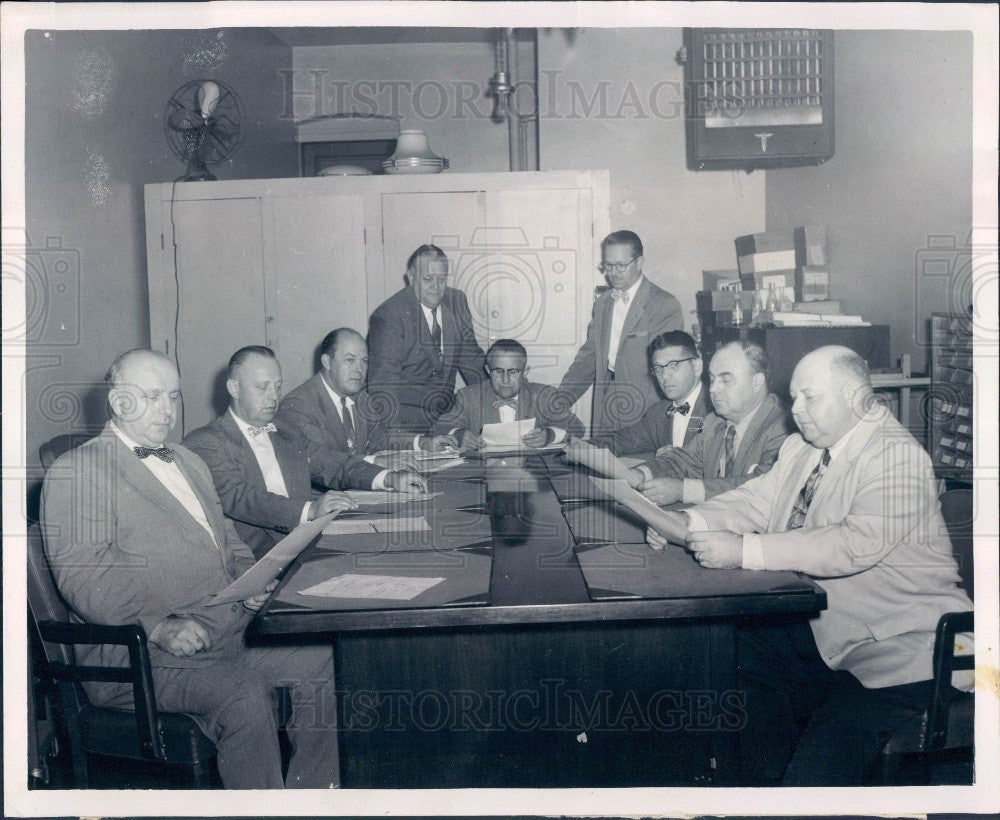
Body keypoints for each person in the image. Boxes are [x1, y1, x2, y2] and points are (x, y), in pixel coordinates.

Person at [642, 346, 973, 786]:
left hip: (914, 645)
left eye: (809, 398)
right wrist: (685, 522)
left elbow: (853, 544)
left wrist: (741, 550)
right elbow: (756, 500)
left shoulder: (898, 457)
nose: (795, 411)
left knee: (822, 760)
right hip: (836, 631)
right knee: (727, 658)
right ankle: (758, 791)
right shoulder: (805, 447)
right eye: (793, 397)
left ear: (855, 396)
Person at [40, 349, 343, 789]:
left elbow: (229, 540)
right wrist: (158, 625)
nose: (167, 410)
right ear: (119, 402)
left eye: (174, 397)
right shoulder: (79, 471)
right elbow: (86, 575)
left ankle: (308, 795)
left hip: (223, 632)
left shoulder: (188, 461)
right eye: (153, 396)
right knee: (243, 697)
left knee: (326, 665)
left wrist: (251, 584)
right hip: (145, 656)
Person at [183, 346, 359, 559]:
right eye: (262, 387)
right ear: (234, 388)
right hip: (256, 560)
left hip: (308, 547)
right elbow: (242, 498)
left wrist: (387, 478)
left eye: (277, 387)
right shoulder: (205, 442)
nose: (274, 397)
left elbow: (329, 463)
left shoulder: (286, 430)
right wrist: (310, 510)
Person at [624, 340, 790, 506]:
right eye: (712, 379)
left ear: (757, 382)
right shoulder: (715, 421)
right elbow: (683, 460)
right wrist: (640, 474)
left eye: (725, 380)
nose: (712, 389)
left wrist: (683, 490)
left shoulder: (784, 427)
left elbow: (758, 486)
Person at [276, 328, 440, 494]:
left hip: (360, 490)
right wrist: (377, 462)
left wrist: (422, 442)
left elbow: (380, 439)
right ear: (327, 362)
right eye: (350, 360)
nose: (359, 369)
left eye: (364, 361)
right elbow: (325, 461)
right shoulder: (297, 406)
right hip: (322, 501)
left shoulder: (360, 397)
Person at [559, 230, 683, 436]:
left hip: (646, 407)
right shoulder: (603, 303)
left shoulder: (664, 305)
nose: (613, 273)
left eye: (621, 266)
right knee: (602, 462)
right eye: (608, 265)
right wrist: (558, 401)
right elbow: (588, 359)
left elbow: (666, 370)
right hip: (606, 401)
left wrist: (654, 421)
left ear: (639, 262)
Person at [367, 244, 487, 433]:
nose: (436, 287)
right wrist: (401, 441)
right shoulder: (389, 316)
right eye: (428, 279)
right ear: (411, 277)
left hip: (449, 420)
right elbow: (384, 386)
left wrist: (496, 404)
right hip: (407, 423)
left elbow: (472, 362)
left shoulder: (456, 301)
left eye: (441, 279)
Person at [430, 338, 585, 449]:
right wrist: (459, 434)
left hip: (533, 475)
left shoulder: (544, 395)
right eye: (498, 371)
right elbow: (437, 428)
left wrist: (550, 435)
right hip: (483, 476)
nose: (505, 380)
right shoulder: (468, 397)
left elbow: (577, 428)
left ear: (525, 371)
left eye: (513, 372)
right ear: (487, 370)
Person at [589, 330, 710, 456]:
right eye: (658, 368)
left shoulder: (716, 409)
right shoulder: (658, 413)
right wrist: (571, 447)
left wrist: (679, 460)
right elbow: (621, 441)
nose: (664, 376)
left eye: (674, 365)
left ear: (697, 367)